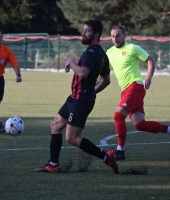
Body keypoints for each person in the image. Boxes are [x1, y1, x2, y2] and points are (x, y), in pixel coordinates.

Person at [34, 19, 119, 174]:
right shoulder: (102, 54)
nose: (84, 33)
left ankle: (107, 157)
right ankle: (53, 165)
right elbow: (106, 81)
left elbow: (82, 73)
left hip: (81, 100)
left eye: (87, 30)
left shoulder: (91, 52)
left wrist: (71, 62)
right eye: (84, 30)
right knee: (55, 125)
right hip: (76, 97)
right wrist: (93, 92)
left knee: (72, 138)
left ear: (96, 34)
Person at [105, 26, 170, 160]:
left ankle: (120, 150)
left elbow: (150, 60)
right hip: (125, 91)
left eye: (117, 36)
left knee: (118, 116)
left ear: (124, 36)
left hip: (135, 87)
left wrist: (149, 78)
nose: (114, 39)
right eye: (112, 36)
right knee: (140, 124)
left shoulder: (132, 48)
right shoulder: (110, 52)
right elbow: (104, 72)